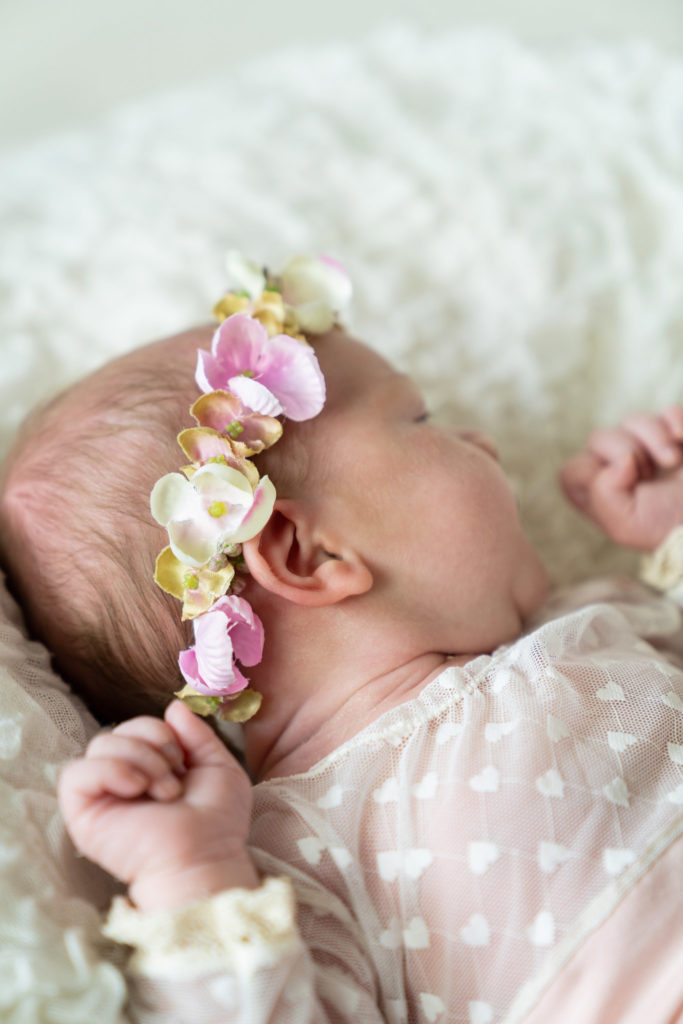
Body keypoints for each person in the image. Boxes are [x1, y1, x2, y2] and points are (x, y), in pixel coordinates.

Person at [1, 258, 682, 1024]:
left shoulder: (586, 622)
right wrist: (191, 872)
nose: (482, 440)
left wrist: (670, 530)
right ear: (308, 555)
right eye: (420, 421)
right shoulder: (295, 850)